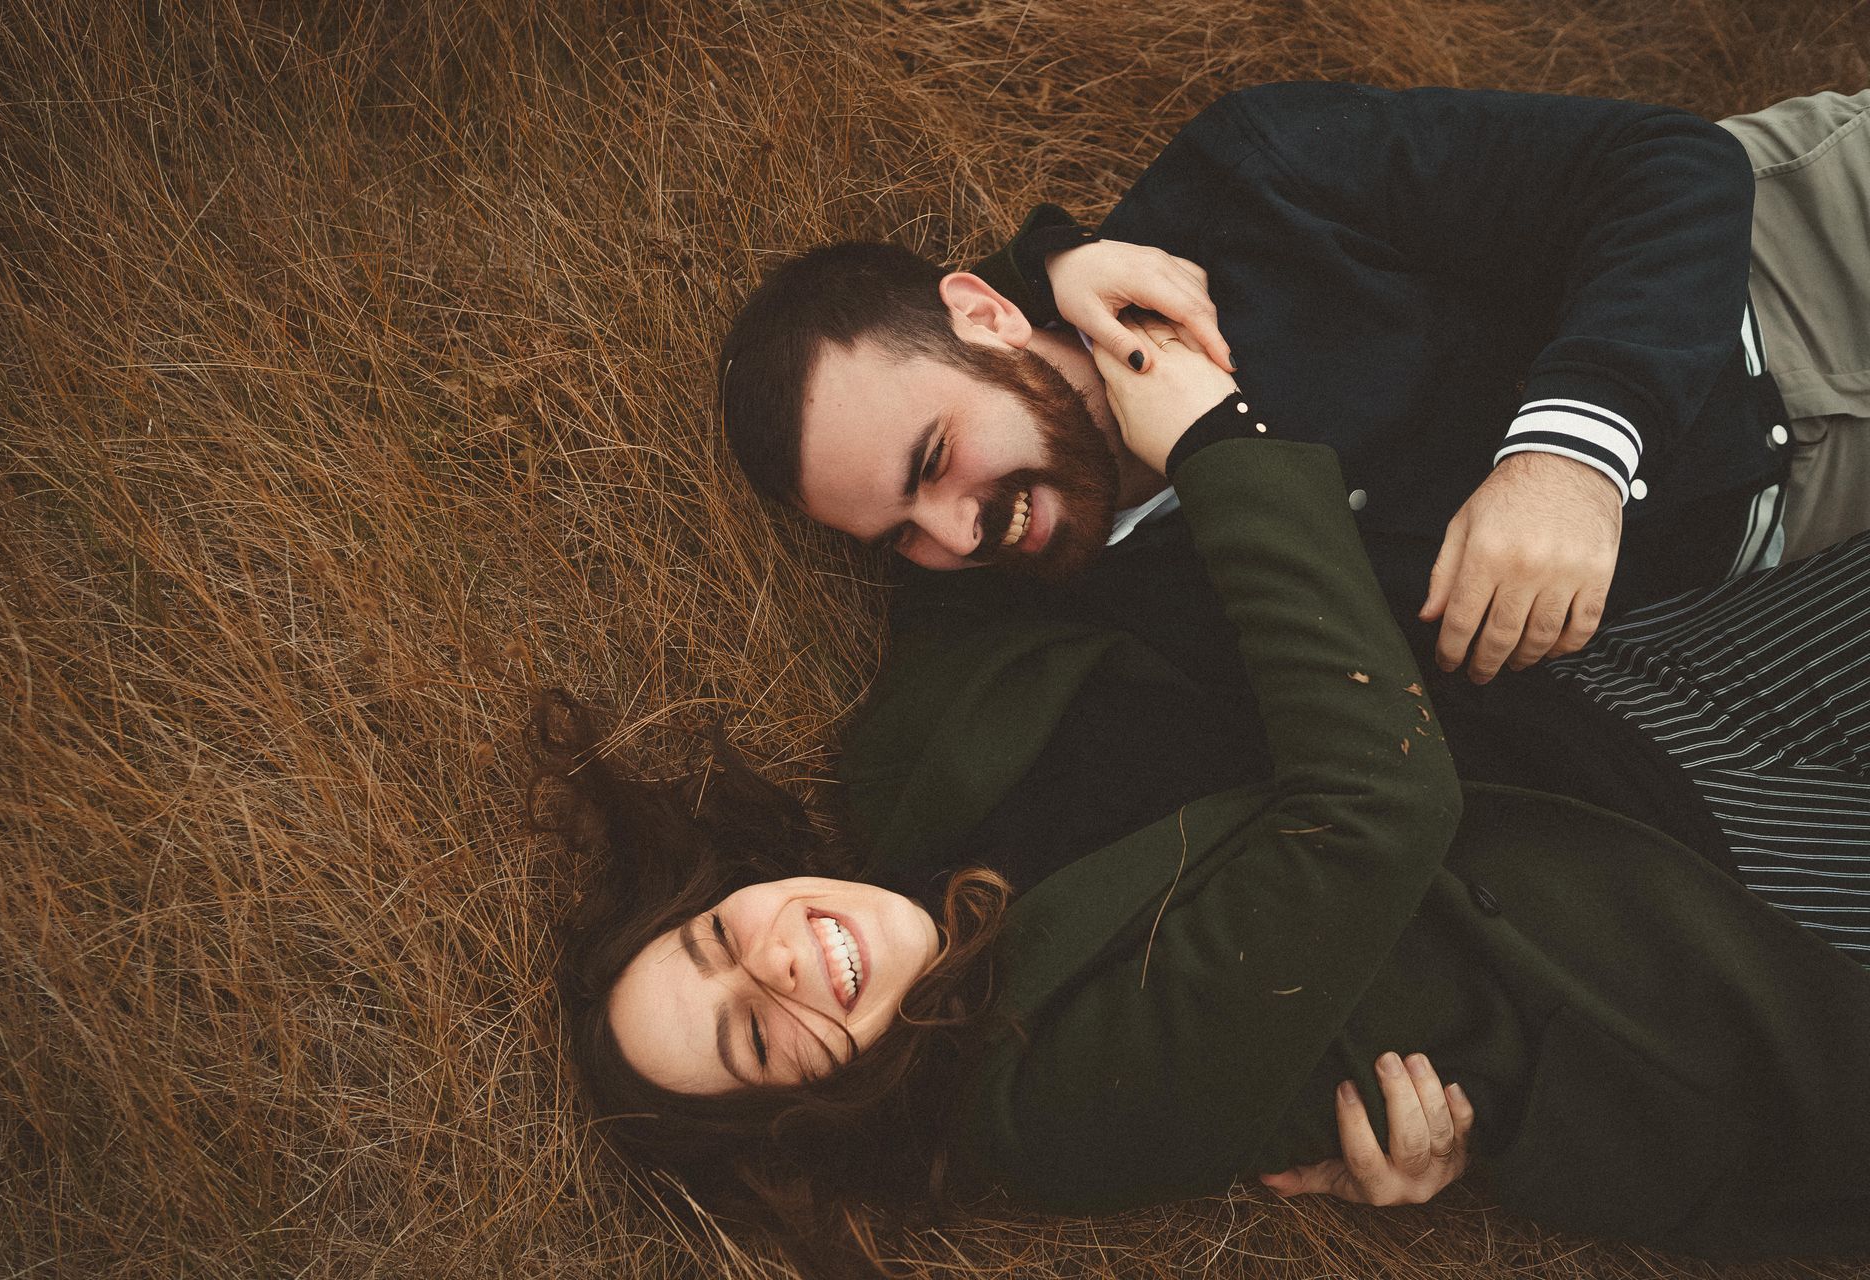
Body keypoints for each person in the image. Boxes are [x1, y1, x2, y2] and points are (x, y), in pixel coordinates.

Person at [547, 314, 1870, 1277]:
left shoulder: (907, 763)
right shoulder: (1046, 1110)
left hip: (1601, 708)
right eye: (753, 1041)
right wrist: (1221, 450)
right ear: (808, 1112)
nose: (774, 966)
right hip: (1685, 948)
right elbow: (1375, 809)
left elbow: (975, 485)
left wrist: (1053, 279)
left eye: (719, 939)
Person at [717, 84, 1870, 964]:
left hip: (1793, 275)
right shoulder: (1108, 616)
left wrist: (1567, 456)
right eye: (900, 533)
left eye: (932, 460)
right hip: (1790, 550)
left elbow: (1674, 167)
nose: (958, 534)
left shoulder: (1245, 188)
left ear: (982, 312)